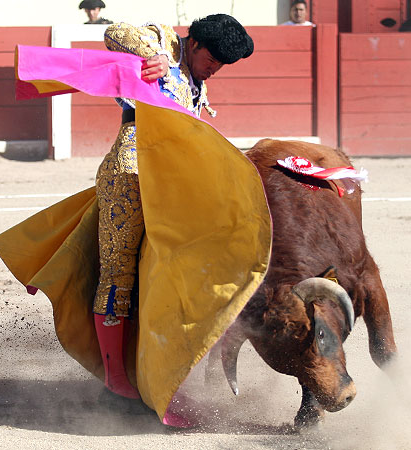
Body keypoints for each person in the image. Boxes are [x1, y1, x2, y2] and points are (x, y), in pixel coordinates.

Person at [92, 15, 253, 400]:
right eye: (212, 59)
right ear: (194, 43)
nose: (215, 69)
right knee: (119, 272)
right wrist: (156, 55)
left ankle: (179, 370)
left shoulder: (197, 84)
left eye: (222, 65)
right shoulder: (166, 42)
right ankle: (116, 378)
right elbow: (114, 32)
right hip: (133, 174)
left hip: (179, 182)